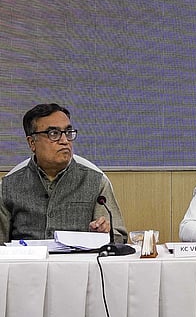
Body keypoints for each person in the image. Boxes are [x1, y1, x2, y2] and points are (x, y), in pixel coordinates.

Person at [0, 103, 127, 242]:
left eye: (68, 132)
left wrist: (103, 234)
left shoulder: (96, 182)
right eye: (53, 133)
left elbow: (119, 238)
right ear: (32, 143)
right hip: (27, 263)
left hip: (80, 263)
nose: (65, 141)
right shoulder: (8, 187)